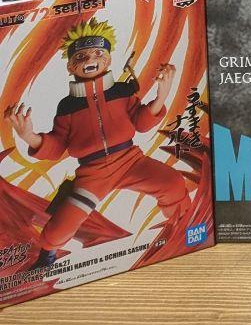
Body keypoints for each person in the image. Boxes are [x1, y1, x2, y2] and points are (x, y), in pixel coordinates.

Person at [3, 18, 188, 270]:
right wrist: (29, 136)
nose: (90, 59)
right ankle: (46, 258)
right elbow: (57, 146)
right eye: (81, 56)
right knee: (59, 228)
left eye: (98, 53)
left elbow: (142, 123)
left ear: (108, 60)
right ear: (70, 66)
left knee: (173, 183)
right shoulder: (68, 107)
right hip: (92, 174)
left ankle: (184, 227)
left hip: (131, 161)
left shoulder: (122, 91)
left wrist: (162, 95)